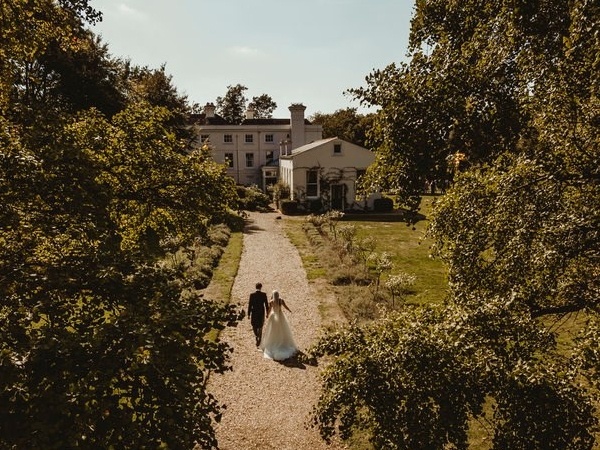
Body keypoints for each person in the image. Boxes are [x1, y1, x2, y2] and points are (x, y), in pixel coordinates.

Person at [259, 290, 298, 361]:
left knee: (272, 330)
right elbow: (285, 306)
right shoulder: (281, 300)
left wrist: (267, 315)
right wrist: (289, 310)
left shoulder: (271, 302)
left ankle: (273, 342)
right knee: (282, 329)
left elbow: (269, 309)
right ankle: (282, 341)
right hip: (280, 315)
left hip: (273, 316)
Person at [247, 282, 269, 347]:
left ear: (255, 287)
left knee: (254, 324)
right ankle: (259, 337)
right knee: (260, 324)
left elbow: (250, 305)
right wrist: (268, 312)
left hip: (254, 312)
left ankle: (256, 335)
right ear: (261, 287)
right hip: (261, 311)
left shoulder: (252, 295)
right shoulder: (264, 295)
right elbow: (266, 304)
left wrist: (248, 313)